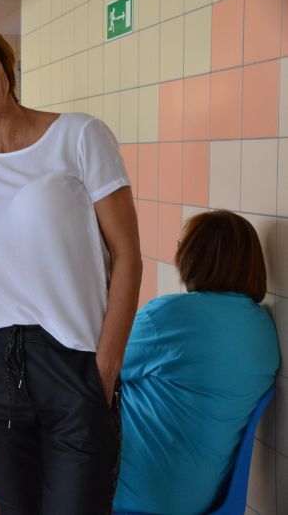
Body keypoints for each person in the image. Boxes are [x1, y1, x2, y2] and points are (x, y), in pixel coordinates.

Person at [0, 15, 142, 514]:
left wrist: (105, 370)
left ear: (4, 60)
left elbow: (128, 255)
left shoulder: (79, 136)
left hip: (74, 361)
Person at [114, 210, 279, 515]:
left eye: (182, 245)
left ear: (196, 257)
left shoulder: (169, 316)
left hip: (138, 491)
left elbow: (98, 370)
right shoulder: (263, 329)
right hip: (205, 498)